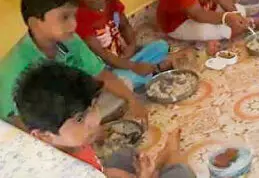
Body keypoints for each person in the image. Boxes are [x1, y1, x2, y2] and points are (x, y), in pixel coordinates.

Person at [0, 0, 147, 127]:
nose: (73, 24)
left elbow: (102, 75)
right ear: (35, 23)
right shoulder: (15, 68)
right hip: (45, 125)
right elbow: (17, 122)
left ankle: (88, 126)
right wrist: (69, 136)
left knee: (124, 85)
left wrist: (133, 101)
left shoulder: (71, 40)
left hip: (72, 109)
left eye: (73, 16)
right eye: (64, 17)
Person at [15, 62, 194, 177]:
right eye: (79, 118)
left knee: (122, 154)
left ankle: (161, 163)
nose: (95, 119)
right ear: (44, 136)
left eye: (92, 106)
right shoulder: (67, 171)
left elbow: (100, 168)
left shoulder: (69, 145)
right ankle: (168, 158)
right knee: (181, 173)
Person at [65, 0, 171, 89]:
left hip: (125, 59)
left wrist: (131, 46)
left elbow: (125, 26)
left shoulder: (111, 1)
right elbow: (102, 54)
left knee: (160, 46)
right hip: (107, 71)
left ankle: (146, 74)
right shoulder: (79, 17)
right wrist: (134, 66)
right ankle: (150, 74)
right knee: (121, 82)